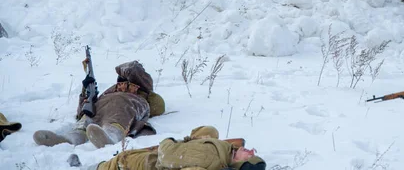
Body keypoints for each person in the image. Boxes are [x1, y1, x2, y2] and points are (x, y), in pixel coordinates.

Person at [33, 61, 165, 149]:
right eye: (121, 83)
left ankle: (110, 136)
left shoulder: (142, 94)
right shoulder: (110, 91)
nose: (122, 85)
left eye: (126, 83)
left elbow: (134, 70)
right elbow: (82, 111)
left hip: (124, 108)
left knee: (119, 113)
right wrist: (86, 91)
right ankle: (67, 139)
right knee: (86, 119)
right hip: (102, 108)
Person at [82, 125, 266, 170]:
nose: (251, 151)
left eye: (249, 156)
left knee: (117, 162)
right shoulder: (226, 150)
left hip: (144, 162)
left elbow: (167, 155)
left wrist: (171, 141)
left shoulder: (208, 157)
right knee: (211, 130)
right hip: (170, 155)